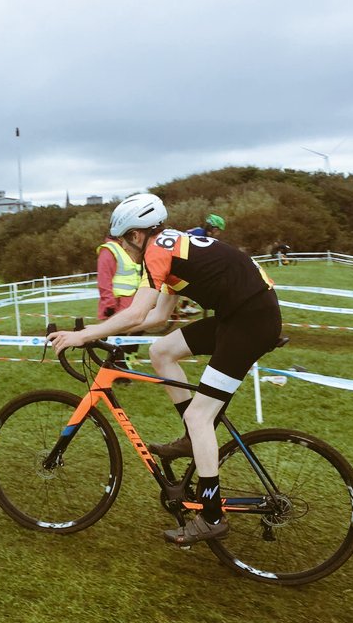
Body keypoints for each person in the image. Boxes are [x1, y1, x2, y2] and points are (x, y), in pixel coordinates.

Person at [49, 193, 281, 547]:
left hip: (249, 321)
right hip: (241, 316)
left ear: (137, 234)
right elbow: (158, 316)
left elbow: (138, 312)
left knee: (202, 416)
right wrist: (103, 332)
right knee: (162, 351)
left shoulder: (158, 250)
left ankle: (211, 516)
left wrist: (84, 335)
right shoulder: (173, 248)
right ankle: (191, 437)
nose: (123, 247)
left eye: (124, 240)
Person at [96, 227, 143, 370]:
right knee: (118, 338)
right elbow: (104, 280)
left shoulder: (125, 249)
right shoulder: (109, 250)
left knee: (135, 330)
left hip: (132, 301)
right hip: (117, 304)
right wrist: (109, 305)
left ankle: (122, 363)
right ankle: (118, 369)